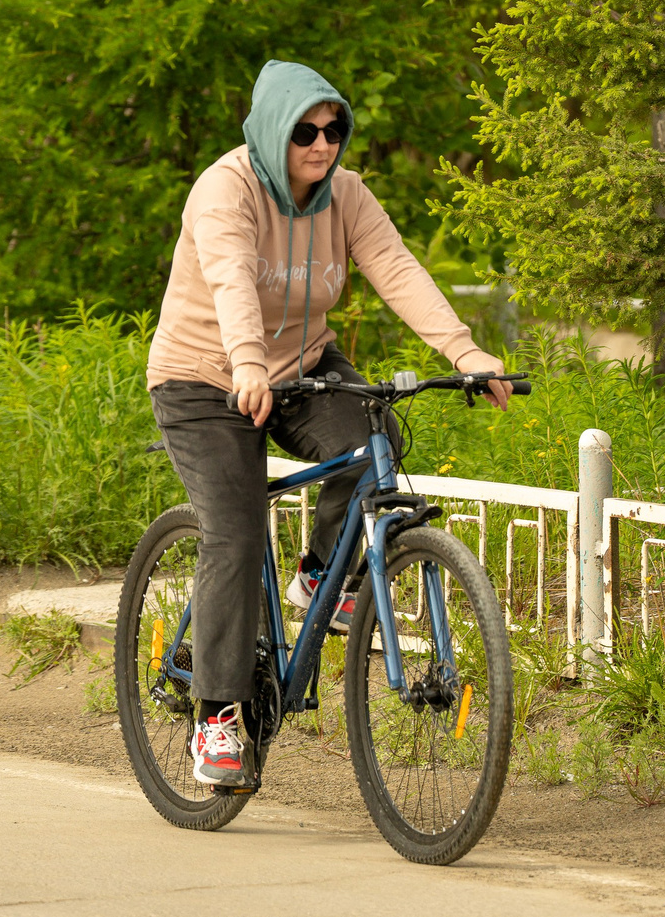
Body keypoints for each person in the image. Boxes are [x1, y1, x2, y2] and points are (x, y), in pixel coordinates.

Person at [145, 59, 512, 792]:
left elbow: (396, 268)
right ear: (272, 130)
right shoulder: (225, 188)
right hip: (205, 377)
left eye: (334, 129)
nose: (323, 144)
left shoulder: (346, 195)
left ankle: (319, 576)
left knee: (373, 443)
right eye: (305, 132)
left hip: (300, 366)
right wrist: (248, 362)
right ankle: (216, 716)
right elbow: (230, 277)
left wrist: (465, 351)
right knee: (235, 526)